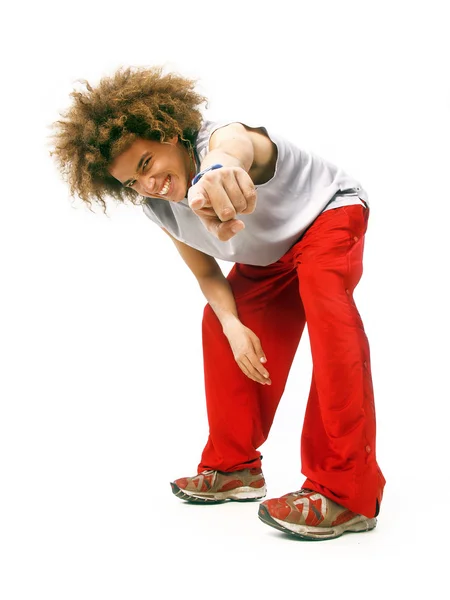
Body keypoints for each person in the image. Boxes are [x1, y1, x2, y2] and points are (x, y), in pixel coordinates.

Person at [52, 66, 385, 541]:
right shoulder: (158, 206)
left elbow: (236, 148)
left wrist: (219, 169)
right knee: (219, 322)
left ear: (168, 132)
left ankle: (347, 491)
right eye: (131, 182)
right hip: (270, 256)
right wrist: (232, 323)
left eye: (146, 164)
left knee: (328, 313)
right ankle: (235, 469)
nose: (146, 185)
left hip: (327, 217)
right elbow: (207, 272)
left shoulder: (222, 139)